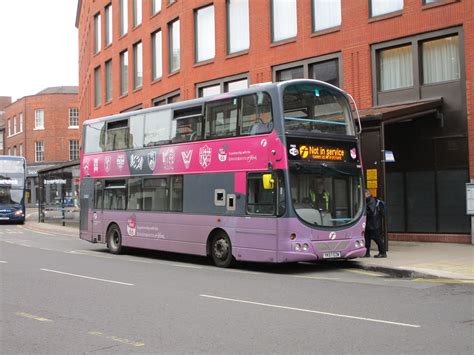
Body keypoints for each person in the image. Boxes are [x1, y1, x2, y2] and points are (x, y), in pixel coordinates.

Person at [364, 189, 387, 258]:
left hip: (373, 224)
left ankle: (383, 253)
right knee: (367, 238)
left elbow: (371, 212)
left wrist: (363, 212)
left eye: (363, 194)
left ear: (367, 194)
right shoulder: (368, 200)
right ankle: (366, 253)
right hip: (369, 223)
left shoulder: (371, 201)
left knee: (377, 238)